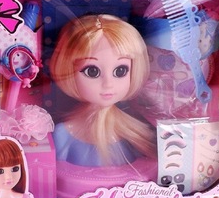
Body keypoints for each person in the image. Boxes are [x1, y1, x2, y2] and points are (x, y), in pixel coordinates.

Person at [49, 14, 155, 167]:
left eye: (120, 71)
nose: (108, 84)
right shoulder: (64, 134)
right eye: (92, 71)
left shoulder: (135, 135)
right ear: (68, 70)